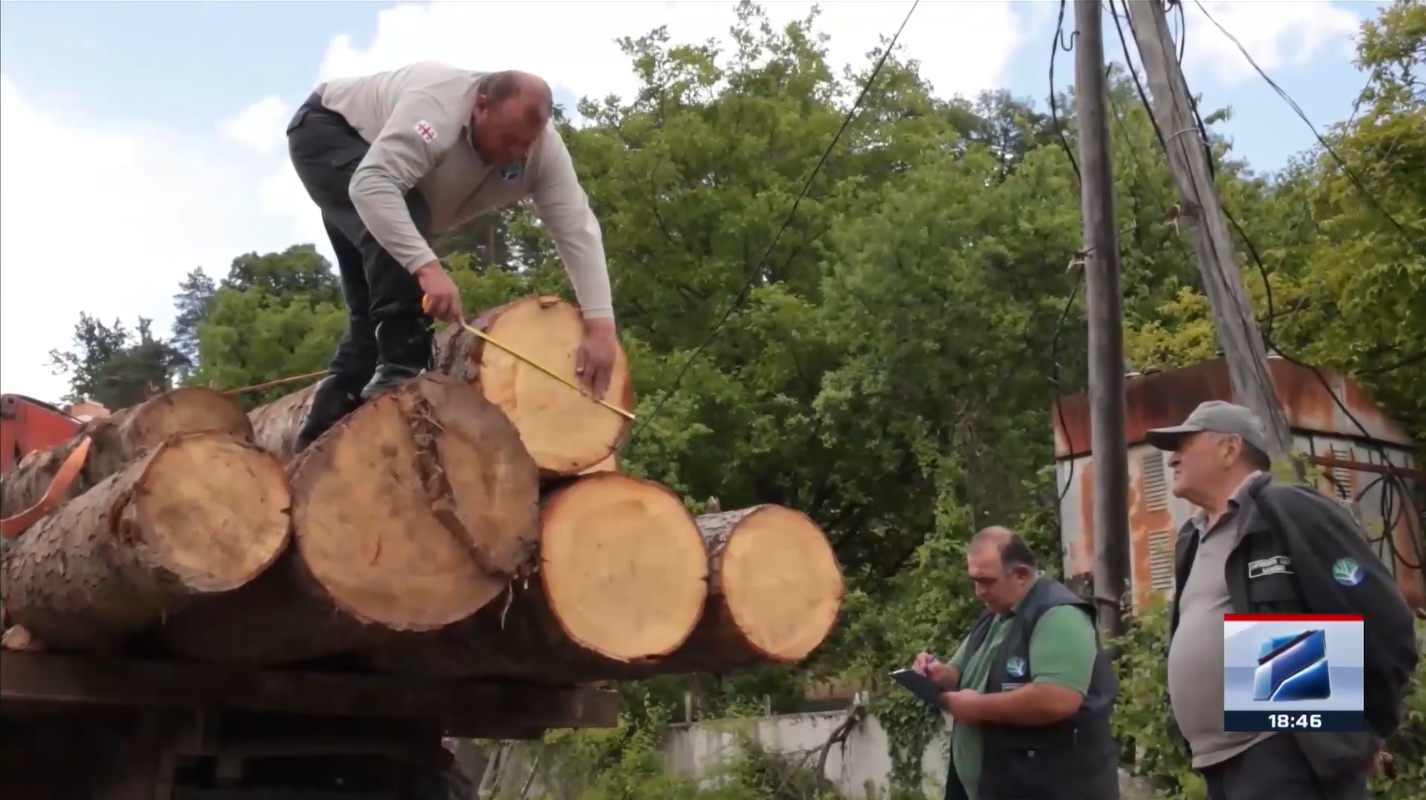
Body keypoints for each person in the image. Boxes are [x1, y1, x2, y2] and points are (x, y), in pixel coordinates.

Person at [284, 62, 620, 452]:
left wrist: (601, 326)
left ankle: (317, 443)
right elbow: (374, 184)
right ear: (479, 107)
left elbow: (576, 229)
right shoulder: (438, 106)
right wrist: (428, 268)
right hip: (327, 134)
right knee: (407, 221)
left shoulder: (542, 153)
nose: (515, 154)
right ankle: (402, 375)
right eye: (508, 139)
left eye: (525, 144)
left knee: (370, 317)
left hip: (380, 194)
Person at [1148, 400, 1418, 800]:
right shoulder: (1193, 536)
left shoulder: (1287, 509)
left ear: (1230, 448)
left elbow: (1385, 619)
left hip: (1284, 750)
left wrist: (1360, 729)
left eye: (1185, 444)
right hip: (1218, 765)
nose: (1172, 459)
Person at [912, 526, 1120, 800]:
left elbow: (1058, 697)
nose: (979, 592)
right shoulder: (995, 616)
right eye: (974, 580)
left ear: (1021, 575)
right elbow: (960, 672)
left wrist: (978, 708)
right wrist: (936, 673)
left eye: (987, 581)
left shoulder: (1059, 614)